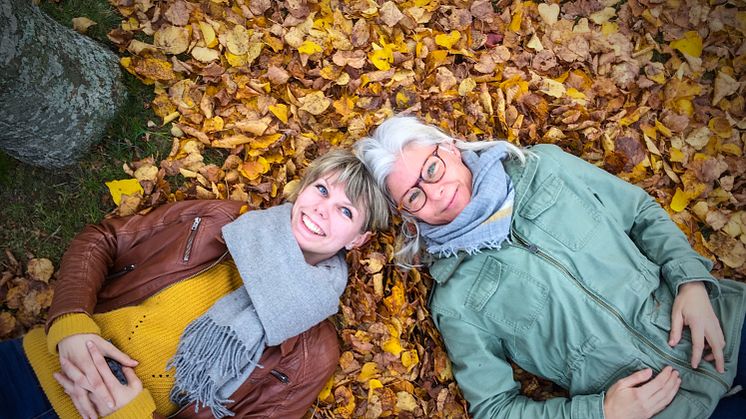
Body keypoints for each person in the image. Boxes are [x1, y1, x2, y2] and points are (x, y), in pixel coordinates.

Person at [354, 115, 746, 419]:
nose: (435, 191)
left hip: (725, 321)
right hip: (667, 411)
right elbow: (495, 407)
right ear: (409, 217)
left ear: (451, 148)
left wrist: (691, 283)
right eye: (415, 195)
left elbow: (639, 213)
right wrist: (601, 413)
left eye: (432, 169)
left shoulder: (546, 167)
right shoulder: (456, 300)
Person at [0, 149, 389, 419]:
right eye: (321, 189)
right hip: (34, 365)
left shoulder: (312, 353)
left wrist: (132, 414)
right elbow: (103, 239)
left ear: (358, 239)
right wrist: (70, 323)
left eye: (345, 210)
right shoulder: (222, 221)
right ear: (303, 189)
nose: (322, 209)